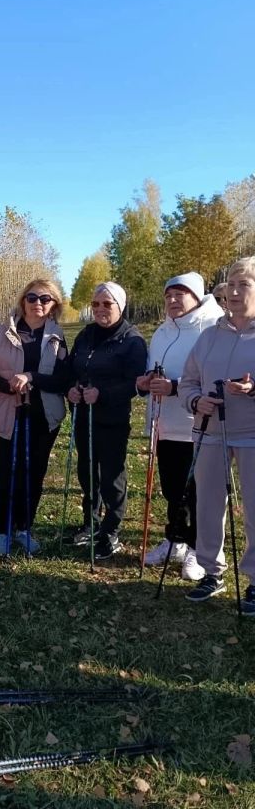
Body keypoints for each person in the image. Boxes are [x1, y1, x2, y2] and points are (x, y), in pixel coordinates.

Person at [179, 256, 255, 613]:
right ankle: (212, 570)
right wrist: (196, 401)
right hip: (209, 431)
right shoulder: (210, 335)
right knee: (208, 505)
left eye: (245, 285)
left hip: (252, 434)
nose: (235, 293)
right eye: (232, 286)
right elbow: (189, 380)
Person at [136, 272, 222, 580]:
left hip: (200, 425)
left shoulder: (214, 326)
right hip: (165, 422)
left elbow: (215, 373)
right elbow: (152, 366)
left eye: (180, 294)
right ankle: (175, 539)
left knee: (200, 491)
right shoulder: (162, 330)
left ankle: (201, 550)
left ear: (196, 296)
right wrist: (145, 382)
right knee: (173, 488)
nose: (173, 300)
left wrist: (174, 387)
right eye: (168, 295)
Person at [0, 279, 69, 554]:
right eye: (32, 298)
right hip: (7, 412)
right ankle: (0, 531)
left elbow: (63, 379)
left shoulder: (57, 336)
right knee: (6, 473)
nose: (38, 304)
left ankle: (23, 527)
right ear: (23, 301)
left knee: (34, 473)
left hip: (44, 415)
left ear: (54, 304)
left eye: (45, 299)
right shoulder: (2, 332)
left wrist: (32, 378)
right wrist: (10, 385)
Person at [66, 281, 147, 560]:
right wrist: (72, 388)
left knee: (111, 476)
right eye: (96, 304)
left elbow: (136, 384)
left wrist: (102, 394)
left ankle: (111, 530)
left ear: (120, 307)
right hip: (83, 416)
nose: (100, 309)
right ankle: (91, 523)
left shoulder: (132, 339)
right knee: (87, 471)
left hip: (112, 418)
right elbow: (70, 367)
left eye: (107, 304)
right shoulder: (86, 334)